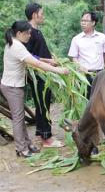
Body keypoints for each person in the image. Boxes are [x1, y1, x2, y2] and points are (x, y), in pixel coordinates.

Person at [0, 21, 69, 157]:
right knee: (18, 118)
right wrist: (58, 70)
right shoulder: (16, 46)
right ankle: (21, 149)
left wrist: (48, 61)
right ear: (19, 33)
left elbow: (33, 58)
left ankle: (27, 144)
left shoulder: (14, 43)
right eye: (27, 33)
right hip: (12, 87)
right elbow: (36, 63)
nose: (29, 36)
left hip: (14, 86)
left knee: (19, 117)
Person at [25, 2, 64, 148]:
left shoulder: (36, 30)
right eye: (42, 13)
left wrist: (51, 60)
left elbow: (38, 52)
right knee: (43, 105)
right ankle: (46, 139)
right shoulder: (28, 32)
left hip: (44, 72)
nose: (43, 16)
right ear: (35, 14)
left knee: (43, 104)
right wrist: (48, 62)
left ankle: (42, 133)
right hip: (38, 75)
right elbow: (29, 56)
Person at [68, 11, 105, 99]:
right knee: (86, 99)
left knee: (101, 99)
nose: (83, 23)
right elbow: (73, 57)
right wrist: (80, 66)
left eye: (86, 21)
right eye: (82, 20)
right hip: (84, 75)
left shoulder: (102, 37)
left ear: (93, 23)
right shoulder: (76, 39)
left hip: (100, 73)